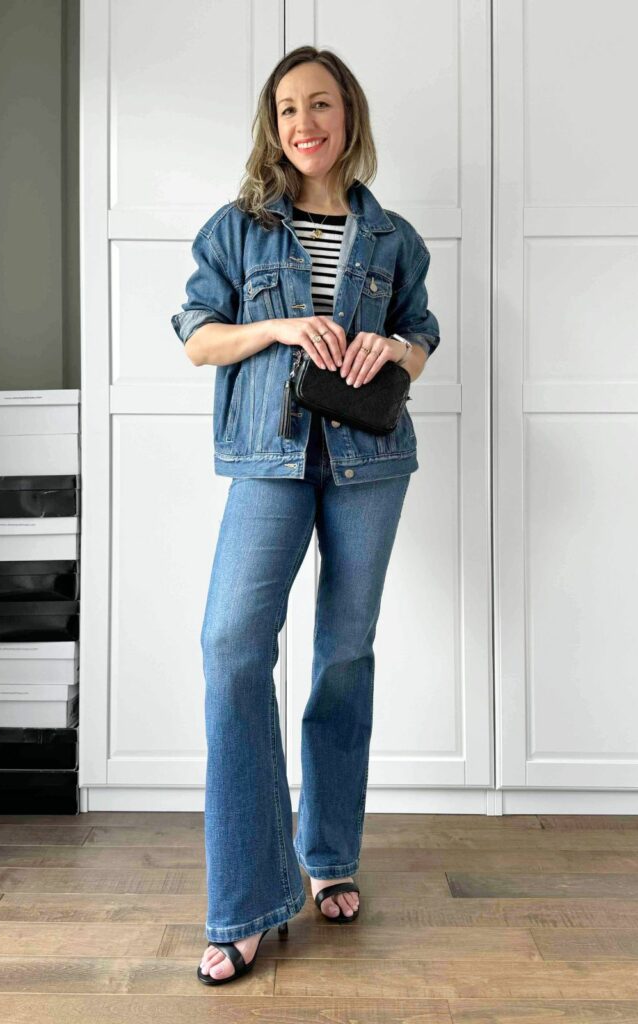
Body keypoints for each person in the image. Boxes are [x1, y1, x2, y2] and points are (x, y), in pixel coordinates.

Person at [171, 45, 441, 986]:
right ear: (273, 126)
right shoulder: (237, 230)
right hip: (269, 460)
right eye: (286, 109)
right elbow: (198, 336)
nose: (302, 123)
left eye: (319, 104)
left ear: (348, 117)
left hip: (372, 464)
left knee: (344, 653)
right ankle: (248, 899)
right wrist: (283, 328)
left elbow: (423, 337)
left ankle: (328, 852)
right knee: (232, 645)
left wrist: (390, 351)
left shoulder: (394, 236)